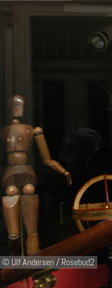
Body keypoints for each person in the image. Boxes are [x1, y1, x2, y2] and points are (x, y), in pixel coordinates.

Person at [0, 95, 71, 255]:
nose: (17, 109)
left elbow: (47, 159)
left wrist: (63, 171)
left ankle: (32, 240)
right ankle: (14, 239)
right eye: (14, 105)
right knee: (11, 193)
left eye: (20, 106)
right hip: (10, 171)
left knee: (29, 191)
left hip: (26, 170)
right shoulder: (4, 131)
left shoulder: (32, 130)